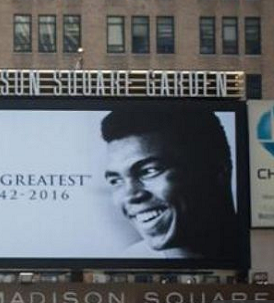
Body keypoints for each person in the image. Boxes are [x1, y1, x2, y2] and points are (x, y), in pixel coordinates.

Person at [100, 109, 239, 259]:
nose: (129, 196)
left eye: (149, 170)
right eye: (116, 180)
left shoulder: (262, 252)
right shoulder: (126, 263)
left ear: (217, 170)